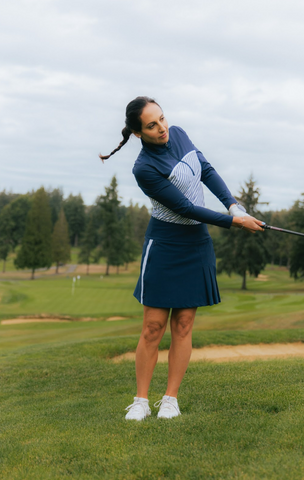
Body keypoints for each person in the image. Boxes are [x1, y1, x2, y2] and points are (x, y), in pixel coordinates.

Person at [99, 96, 264, 421]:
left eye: (162, 119)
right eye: (151, 125)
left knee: (184, 324)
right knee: (152, 327)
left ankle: (170, 398)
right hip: (165, 244)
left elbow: (207, 170)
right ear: (137, 133)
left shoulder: (181, 135)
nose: (162, 128)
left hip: (195, 245)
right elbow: (185, 209)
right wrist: (235, 222)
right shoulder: (144, 168)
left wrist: (233, 205)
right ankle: (141, 401)